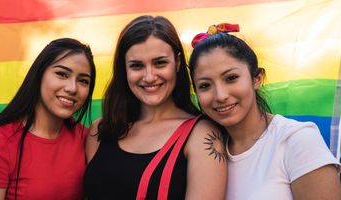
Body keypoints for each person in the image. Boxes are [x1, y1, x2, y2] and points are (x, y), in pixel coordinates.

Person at [189, 23, 341, 200]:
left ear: (256, 78)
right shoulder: (202, 151)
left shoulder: (297, 140)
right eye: (205, 85)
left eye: (231, 78)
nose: (220, 95)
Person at [84, 15, 227, 200]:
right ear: (124, 69)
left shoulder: (202, 135)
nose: (149, 76)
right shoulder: (100, 130)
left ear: (177, 62)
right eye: (137, 66)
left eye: (160, 63)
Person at [0, 38, 96, 200]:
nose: (72, 88)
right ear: (39, 74)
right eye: (62, 74)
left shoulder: (86, 137)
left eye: (83, 81)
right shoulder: (2, 141)